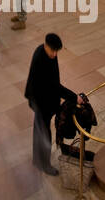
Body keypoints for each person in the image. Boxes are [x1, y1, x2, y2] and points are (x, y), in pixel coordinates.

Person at [24, 32, 77, 175]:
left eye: (56, 51)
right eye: (53, 50)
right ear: (46, 46)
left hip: (43, 101)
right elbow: (54, 86)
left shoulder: (46, 53)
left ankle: (38, 160)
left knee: (40, 131)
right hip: (40, 104)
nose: (54, 54)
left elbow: (54, 83)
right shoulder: (41, 60)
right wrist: (74, 97)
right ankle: (44, 165)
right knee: (45, 135)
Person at [56, 92, 97, 161]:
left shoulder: (85, 107)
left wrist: (87, 129)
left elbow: (91, 120)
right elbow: (61, 122)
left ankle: (78, 152)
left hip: (68, 123)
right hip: (65, 126)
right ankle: (65, 148)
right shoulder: (68, 107)